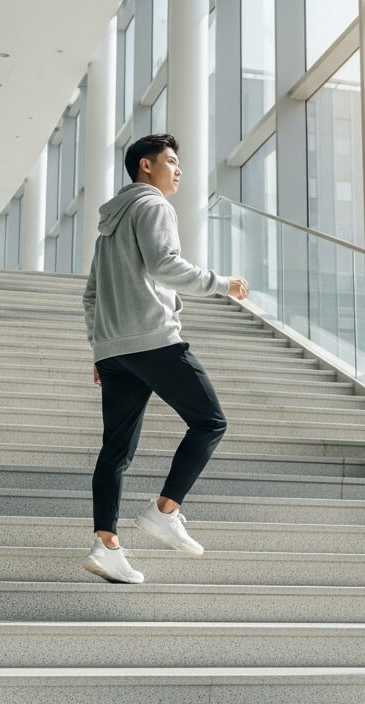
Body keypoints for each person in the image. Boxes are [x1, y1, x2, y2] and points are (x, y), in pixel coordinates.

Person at [80, 133, 250, 584]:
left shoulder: (109, 225)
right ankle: (164, 512)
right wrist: (221, 283)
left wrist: (101, 347)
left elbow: (92, 295)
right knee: (210, 421)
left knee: (116, 451)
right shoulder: (153, 205)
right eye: (171, 161)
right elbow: (164, 265)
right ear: (145, 167)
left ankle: (107, 544)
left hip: (116, 350)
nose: (178, 170)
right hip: (153, 339)